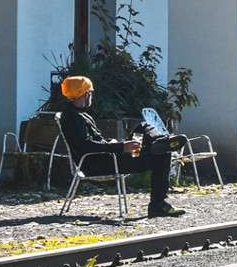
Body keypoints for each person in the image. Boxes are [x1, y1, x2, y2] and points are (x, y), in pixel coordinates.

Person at [55, 75, 184, 219]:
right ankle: (158, 205)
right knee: (163, 154)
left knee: (145, 126)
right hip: (100, 164)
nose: (91, 95)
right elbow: (86, 146)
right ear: (85, 94)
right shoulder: (74, 118)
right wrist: (121, 147)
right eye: (90, 92)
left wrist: (114, 143)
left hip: (106, 158)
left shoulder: (77, 115)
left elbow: (91, 142)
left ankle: (159, 142)